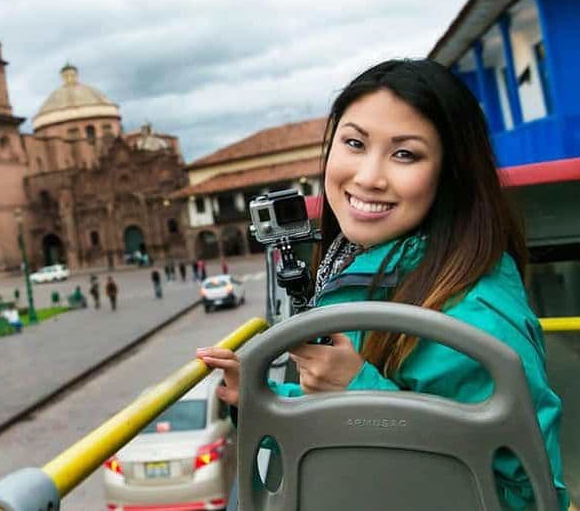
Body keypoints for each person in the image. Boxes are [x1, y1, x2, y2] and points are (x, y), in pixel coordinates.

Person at [196, 59, 568, 509]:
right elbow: (364, 436)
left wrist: (360, 394)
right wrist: (264, 399)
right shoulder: (367, 273)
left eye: (405, 153)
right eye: (354, 143)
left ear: (451, 173)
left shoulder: (473, 315)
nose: (369, 177)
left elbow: (524, 496)